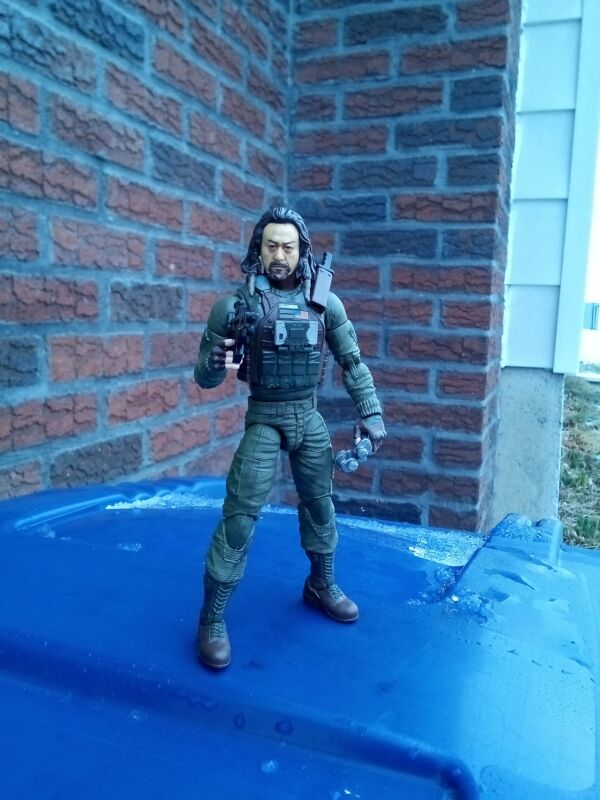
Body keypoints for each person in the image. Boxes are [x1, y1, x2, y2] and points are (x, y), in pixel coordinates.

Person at [193, 207, 386, 669]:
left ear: (303, 252)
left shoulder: (325, 304)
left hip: (308, 416)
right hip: (264, 418)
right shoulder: (234, 307)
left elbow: (352, 362)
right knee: (240, 518)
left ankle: (321, 583)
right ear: (257, 250)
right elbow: (204, 376)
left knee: (320, 505)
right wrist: (217, 361)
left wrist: (371, 413)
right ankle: (212, 618)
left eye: (288, 247)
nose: (280, 255)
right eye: (271, 246)